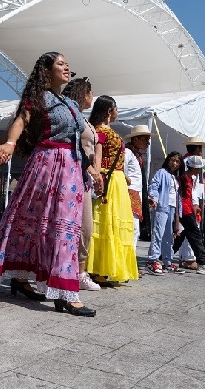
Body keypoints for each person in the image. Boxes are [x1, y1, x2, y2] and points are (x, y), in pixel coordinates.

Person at [0, 52, 96, 317]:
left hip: (71, 168)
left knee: (65, 227)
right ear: (46, 70)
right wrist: (9, 145)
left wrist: (90, 169)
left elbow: (79, 139)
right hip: (47, 164)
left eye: (68, 64)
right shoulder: (39, 99)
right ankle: (50, 287)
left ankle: (56, 286)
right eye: (60, 64)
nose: (67, 67)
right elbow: (20, 121)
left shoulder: (69, 102)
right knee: (37, 224)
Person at [87, 96, 140, 284]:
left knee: (112, 223)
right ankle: (98, 269)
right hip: (108, 179)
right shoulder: (100, 130)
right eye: (116, 109)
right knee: (105, 222)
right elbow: (97, 157)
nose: (118, 112)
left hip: (116, 179)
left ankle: (104, 267)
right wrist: (99, 177)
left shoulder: (103, 130)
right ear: (110, 111)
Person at [61, 77, 104, 291]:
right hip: (72, 174)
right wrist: (92, 170)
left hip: (85, 178)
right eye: (90, 92)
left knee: (86, 227)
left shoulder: (84, 120)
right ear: (82, 93)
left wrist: (96, 173)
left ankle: (79, 272)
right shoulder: (71, 116)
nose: (92, 96)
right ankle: (70, 272)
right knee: (75, 226)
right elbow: (73, 146)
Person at [175, 156, 205, 275]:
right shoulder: (184, 178)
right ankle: (202, 263)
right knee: (195, 236)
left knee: (184, 235)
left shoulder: (190, 178)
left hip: (188, 209)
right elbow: (182, 196)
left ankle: (164, 257)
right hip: (185, 210)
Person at [146, 152, 184, 275]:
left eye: (177, 161)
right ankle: (152, 260)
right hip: (162, 206)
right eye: (172, 160)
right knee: (158, 233)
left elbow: (177, 197)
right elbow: (153, 186)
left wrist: (178, 215)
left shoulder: (176, 177)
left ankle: (167, 261)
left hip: (172, 208)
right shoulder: (162, 173)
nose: (174, 163)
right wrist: (154, 198)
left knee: (169, 235)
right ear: (168, 160)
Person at [124, 125, 151, 251]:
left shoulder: (137, 156)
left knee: (135, 229)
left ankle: (130, 262)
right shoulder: (127, 153)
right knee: (132, 228)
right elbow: (122, 172)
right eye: (145, 139)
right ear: (135, 139)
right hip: (129, 193)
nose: (148, 143)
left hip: (136, 193)